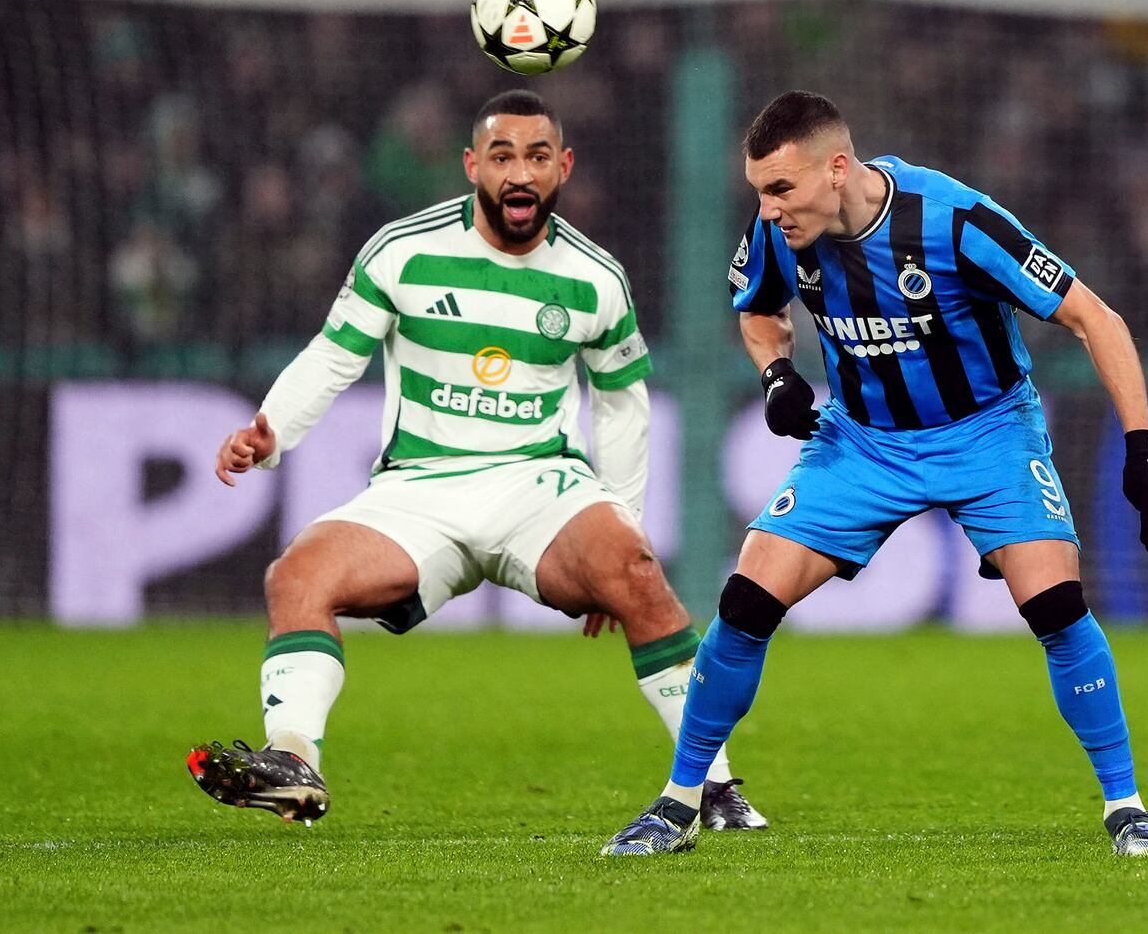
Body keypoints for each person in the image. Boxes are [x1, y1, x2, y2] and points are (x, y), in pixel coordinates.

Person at [602, 90, 1148, 858]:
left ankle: (1128, 809)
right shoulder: (781, 231)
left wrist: (1143, 445)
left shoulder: (954, 219)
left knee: (1058, 608)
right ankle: (679, 802)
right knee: (743, 600)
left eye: (781, 188)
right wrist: (776, 372)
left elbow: (1094, 317)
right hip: (864, 442)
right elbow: (757, 310)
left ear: (837, 169)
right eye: (759, 192)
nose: (769, 210)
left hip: (988, 435)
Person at [187, 89, 765, 833]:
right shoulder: (403, 250)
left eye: (536, 156)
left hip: (538, 486)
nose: (519, 172)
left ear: (564, 165)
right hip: (418, 490)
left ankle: (713, 787)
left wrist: (621, 521)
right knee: (296, 576)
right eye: (501, 156)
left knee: (635, 574)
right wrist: (271, 429)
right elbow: (334, 354)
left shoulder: (596, 277)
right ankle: (295, 760)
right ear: (471, 166)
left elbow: (623, 404)